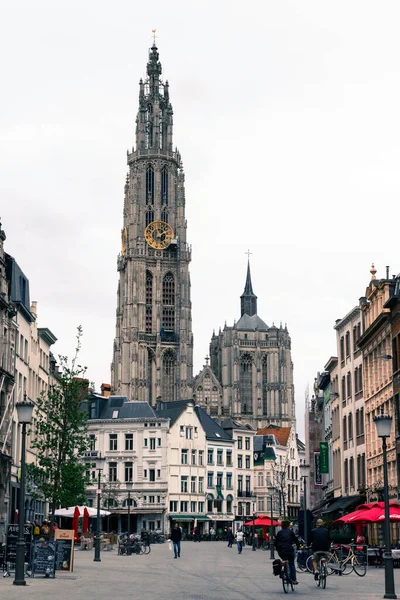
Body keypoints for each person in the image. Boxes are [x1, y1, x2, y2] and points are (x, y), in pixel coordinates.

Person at [275, 519, 300, 585]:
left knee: (284, 559)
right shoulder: (291, 532)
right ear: (288, 526)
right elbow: (296, 540)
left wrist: (278, 549)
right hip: (289, 550)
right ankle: (294, 580)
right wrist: (299, 546)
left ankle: (283, 572)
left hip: (281, 551)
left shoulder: (279, 533)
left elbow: (276, 543)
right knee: (291, 564)